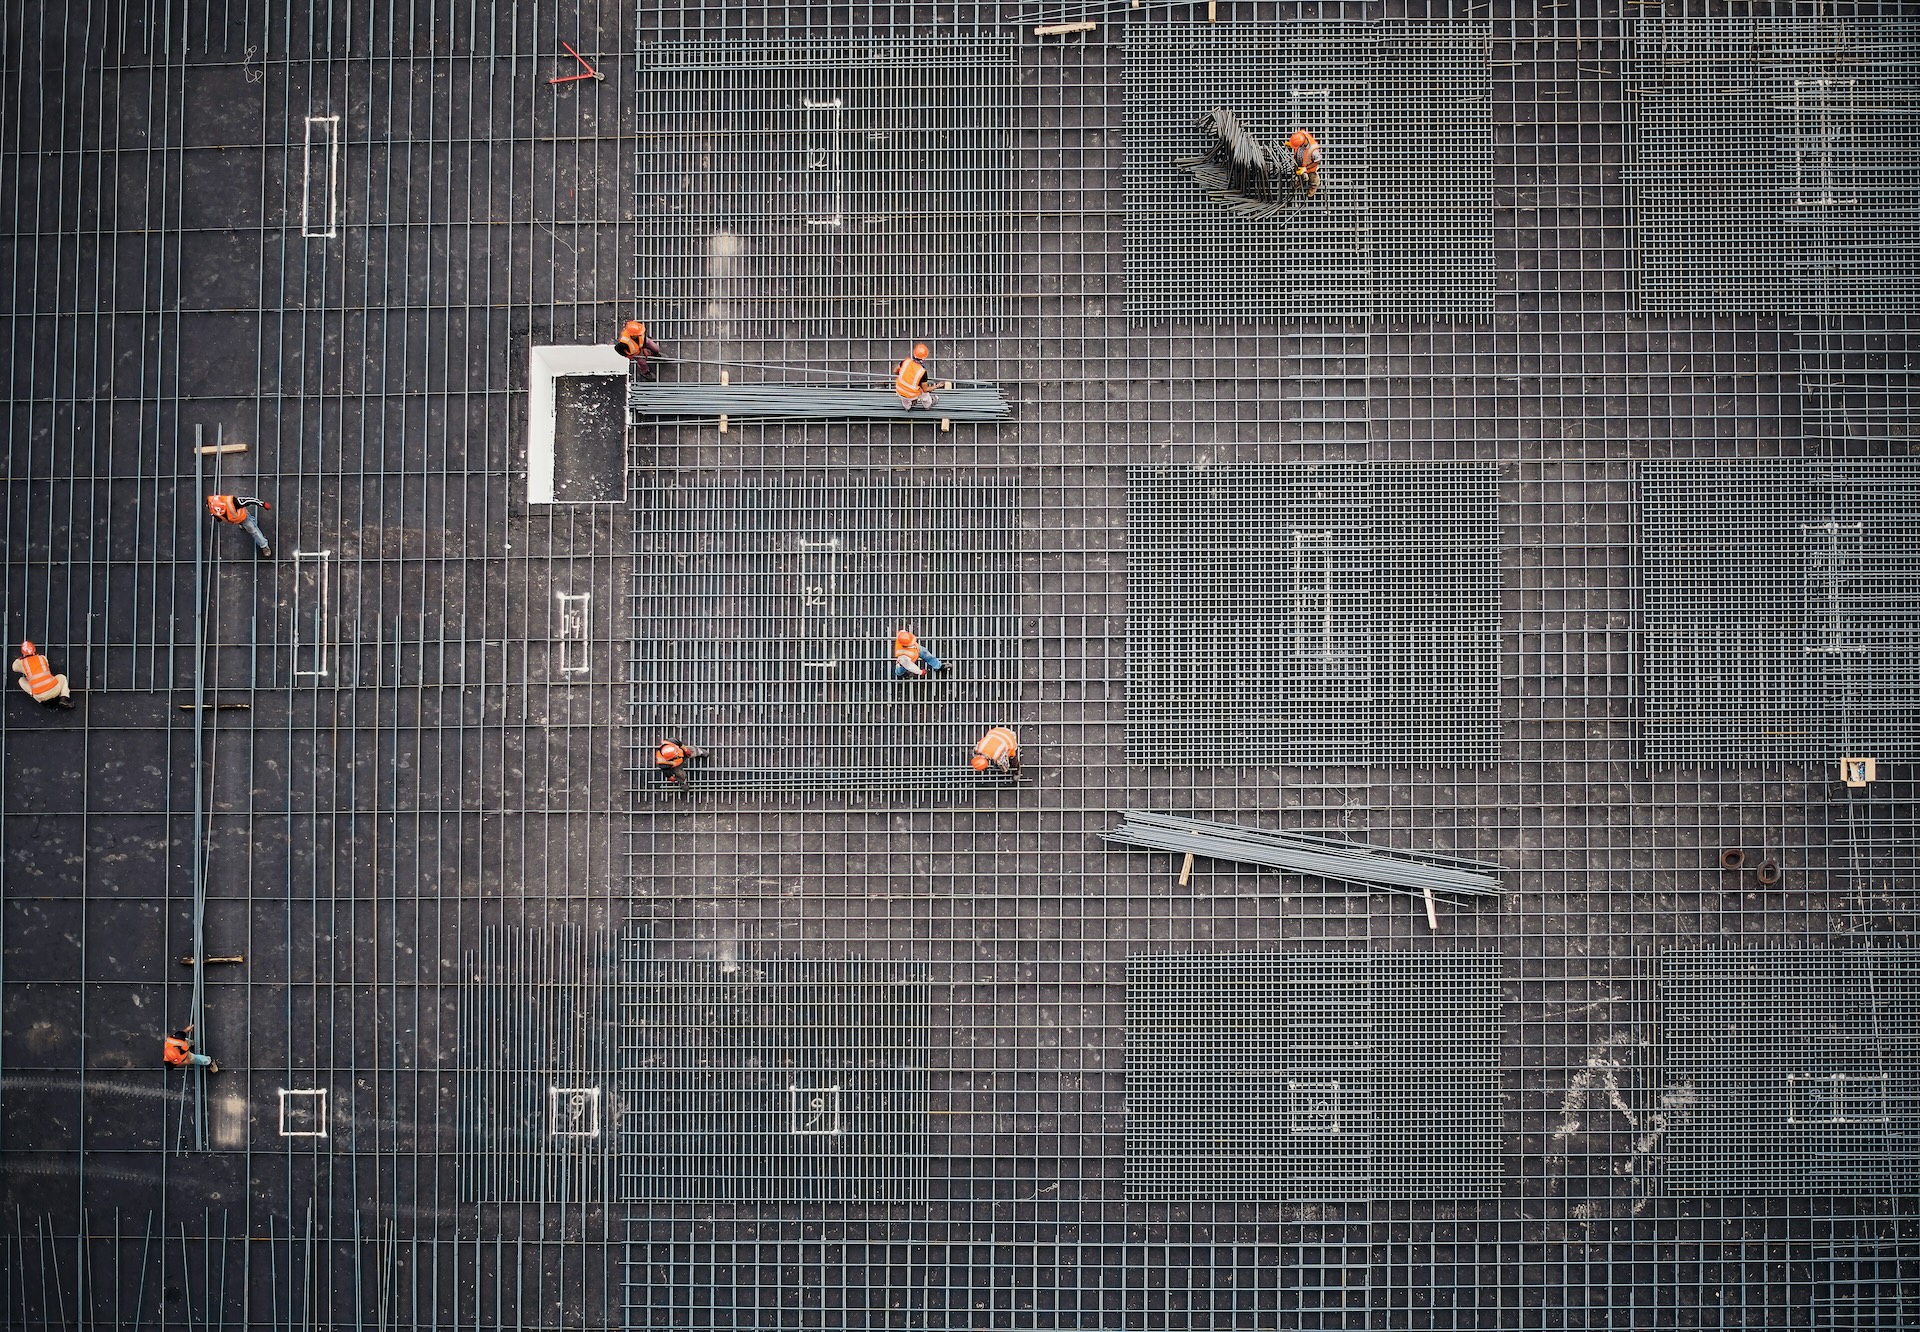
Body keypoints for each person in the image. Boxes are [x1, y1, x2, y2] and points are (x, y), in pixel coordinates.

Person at [206, 494, 273, 557]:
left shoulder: (233, 502)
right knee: (249, 524)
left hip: (243, 518)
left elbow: (248, 500)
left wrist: (262, 504)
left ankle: (264, 545)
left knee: (253, 530)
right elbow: (216, 514)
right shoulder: (211, 505)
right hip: (235, 519)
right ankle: (251, 522)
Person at [13, 640, 74, 708]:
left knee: (21, 680)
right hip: (54, 690)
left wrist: (20, 659)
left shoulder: (22, 663)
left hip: (40, 696)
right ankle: (64, 697)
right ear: (34, 649)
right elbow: (46, 665)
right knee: (61, 677)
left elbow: (14, 668)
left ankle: (42, 701)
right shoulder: (42, 658)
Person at [893, 343, 937, 411]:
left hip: (899, 390)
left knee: (905, 399)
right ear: (923, 358)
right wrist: (936, 387)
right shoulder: (922, 371)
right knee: (923, 391)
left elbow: (895, 371)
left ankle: (907, 407)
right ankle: (927, 404)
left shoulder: (905, 362)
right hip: (911, 394)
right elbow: (925, 389)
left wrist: (905, 375)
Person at [1287, 129, 1321, 197]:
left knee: (1313, 178)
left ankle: (1313, 187)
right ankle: (1302, 181)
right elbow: (1296, 141)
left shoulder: (1313, 149)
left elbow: (1317, 161)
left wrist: (1305, 168)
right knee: (1301, 175)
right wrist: (1291, 144)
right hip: (1300, 164)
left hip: (1310, 167)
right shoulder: (1301, 135)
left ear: (1303, 142)